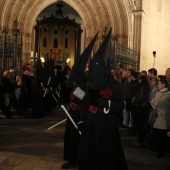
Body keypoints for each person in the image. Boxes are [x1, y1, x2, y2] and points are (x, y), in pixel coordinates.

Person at [79, 28, 128, 170]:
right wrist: (83, 118)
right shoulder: (90, 83)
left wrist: (106, 104)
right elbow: (86, 101)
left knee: (105, 153)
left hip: (106, 123)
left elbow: (120, 105)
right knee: (89, 151)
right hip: (91, 120)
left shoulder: (113, 84)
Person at [61, 32, 99, 169]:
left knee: (79, 138)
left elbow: (86, 97)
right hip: (72, 112)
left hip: (81, 114)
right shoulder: (76, 81)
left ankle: (81, 159)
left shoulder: (86, 82)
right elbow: (68, 92)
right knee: (70, 137)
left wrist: (76, 90)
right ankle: (71, 158)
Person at [150, 78, 170, 158]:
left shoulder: (167, 93)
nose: (157, 85)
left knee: (162, 135)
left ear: (164, 85)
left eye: (159, 84)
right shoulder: (159, 92)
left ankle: (162, 151)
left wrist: (155, 102)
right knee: (158, 134)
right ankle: (158, 149)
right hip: (158, 115)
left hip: (163, 116)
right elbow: (152, 101)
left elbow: (159, 102)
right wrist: (155, 102)